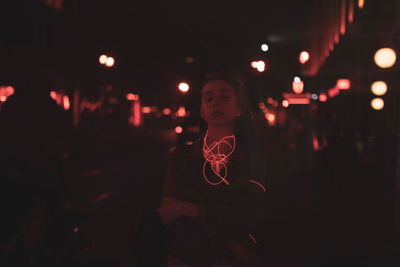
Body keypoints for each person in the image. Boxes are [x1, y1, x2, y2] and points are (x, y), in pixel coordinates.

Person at [158, 73, 269, 267]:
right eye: (208, 98)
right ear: (202, 110)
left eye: (224, 97)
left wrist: (191, 209)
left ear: (239, 108)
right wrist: (230, 245)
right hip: (188, 259)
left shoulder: (252, 158)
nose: (215, 103)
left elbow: (249, 215)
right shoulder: (182, 157)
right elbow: (170, 215)